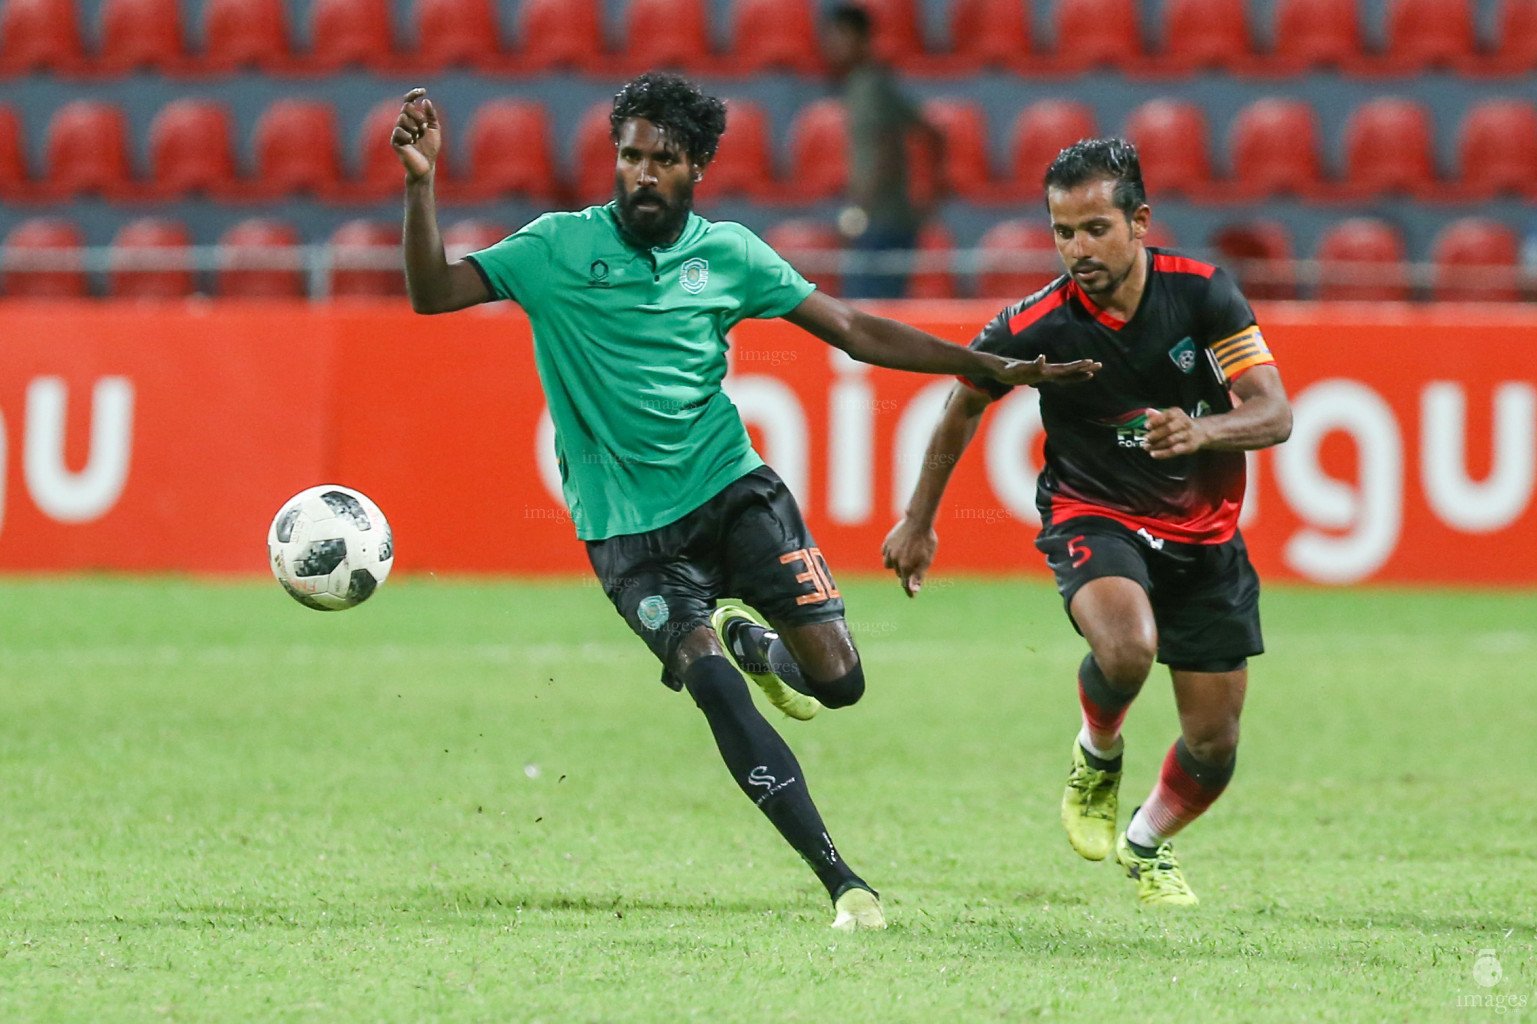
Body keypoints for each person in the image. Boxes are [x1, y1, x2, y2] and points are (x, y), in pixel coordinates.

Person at [392, 74, 1097, 930]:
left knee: (839, 684)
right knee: (710, 685)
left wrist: (986, 367)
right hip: (629, 533)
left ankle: (762, 647)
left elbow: (852, 329)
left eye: (663, 159)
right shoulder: (555, 250)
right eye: (630, 155)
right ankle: (844, 882)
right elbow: (432, 293)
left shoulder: (729, 254)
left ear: (697, 167)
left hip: (734, 493)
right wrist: (422, 184)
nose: (642, 173)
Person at [882, 139, 1292, 907]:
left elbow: (1274, 412)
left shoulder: (1203, 294)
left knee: (1213, 746)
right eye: (1062, 231)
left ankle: (1146, 842)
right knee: (1127, 647)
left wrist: (1202, 432)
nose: (1077, 249)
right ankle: (1096, 754)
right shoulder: (1036, 323)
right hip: (1093, 510)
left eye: (1095, 228)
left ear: (1139, 221)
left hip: (1204, 538)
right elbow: (963, 401)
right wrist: (918, 521)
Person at [820, 3, 944, 299]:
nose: (832, 44)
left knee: (870, 310)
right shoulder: (870, 84)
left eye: (840, 35)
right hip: (885, 218)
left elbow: (889, 145)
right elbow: (930, 132)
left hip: (881, 220)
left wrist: (860, 208)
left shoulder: (869, 87)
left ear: (860, 37)